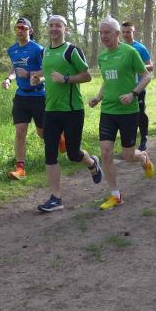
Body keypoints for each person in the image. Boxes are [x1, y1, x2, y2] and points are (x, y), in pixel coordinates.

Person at [33, 15, 103, 212]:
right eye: (51, 25)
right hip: (50, 110)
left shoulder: (71, 50)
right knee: (50, 154)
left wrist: (66, 79)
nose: (54, 29)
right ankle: (56, 198)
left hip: (72, 111)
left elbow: (87, 76)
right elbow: (49, 74)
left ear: (65, 29)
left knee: (73, 154)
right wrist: (39, 80)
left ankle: (92, 163)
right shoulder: (45, 51)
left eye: (58, 26)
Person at [89, 16, 155, 210]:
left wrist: (133, 93)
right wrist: (98, 98)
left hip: (128, 111)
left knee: (128, 155)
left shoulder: (130, 52)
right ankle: (115, 195)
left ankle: (143, 157)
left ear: (117, 34)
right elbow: (107, 81)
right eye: (101, 33)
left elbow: (146, 76)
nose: (103, 36)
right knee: (106, 152)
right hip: (108, 111)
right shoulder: (102, 57)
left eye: (107, 32)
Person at [3, 17, 45, 180]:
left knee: (42, 134)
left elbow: (46, 71)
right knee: (20, 131)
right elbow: (14, 69)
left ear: (30, 31)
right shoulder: (12, 50)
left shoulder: (38, 49)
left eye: (23, 28)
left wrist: (30, 75)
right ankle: (20, 169)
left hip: (39, 95)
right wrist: (9, 79)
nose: (20, 30)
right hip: (21, 96)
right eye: (17, 28)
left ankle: (60, 139)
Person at [120, 21, 153, 151]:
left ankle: (144, 137)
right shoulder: (119, 47)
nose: (126, 34)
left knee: (140, 113)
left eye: (128, 32)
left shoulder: (140, 48)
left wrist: (137, 67)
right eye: (123, 32)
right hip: (123, 87)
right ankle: (129, 142)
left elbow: (151, 66)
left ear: (133, 32)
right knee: (126, 115)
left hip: (139, 86)